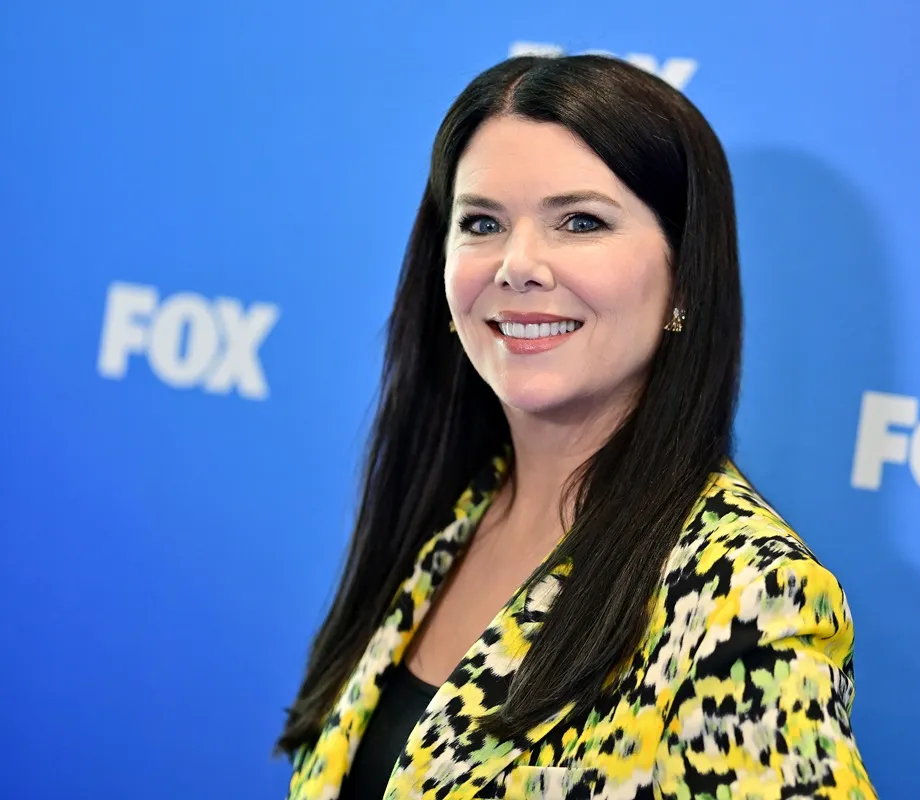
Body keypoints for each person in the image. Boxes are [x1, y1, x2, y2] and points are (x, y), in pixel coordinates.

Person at [277, 53, 876, 800]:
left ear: (685, 274)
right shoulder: (441, 510)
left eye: (580, 221)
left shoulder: (748, 592)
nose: (518, 264)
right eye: (482, 223)